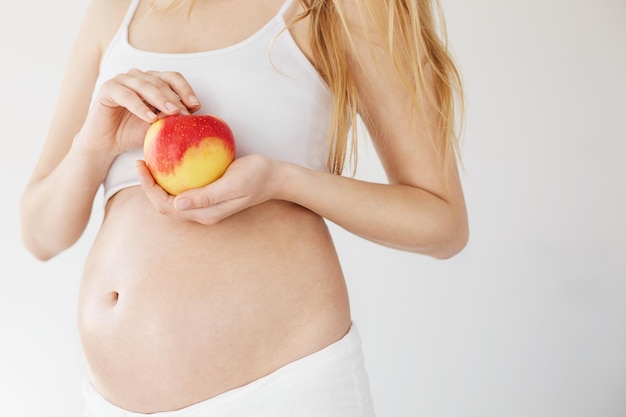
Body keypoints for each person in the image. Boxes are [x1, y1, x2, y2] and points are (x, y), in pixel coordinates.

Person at [20, 0, 468, 415]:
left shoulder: (341, 7)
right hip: (111, 404)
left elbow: (441, 222)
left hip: (282, 392)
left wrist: (285, 181)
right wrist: (93, 148)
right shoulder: (117, 10)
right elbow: (40, 234)